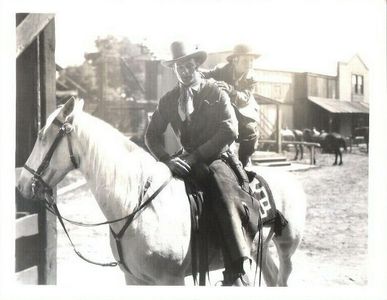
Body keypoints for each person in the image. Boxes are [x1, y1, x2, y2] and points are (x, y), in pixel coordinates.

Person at [145, 41, 252, 286]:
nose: (184, 71)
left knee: (219, 189)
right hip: (183, 158)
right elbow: (151, 135)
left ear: (197, 66)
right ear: (174, 69)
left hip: (217, 156)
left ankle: (236, 266)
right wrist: (167, 160)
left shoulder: (214, 92)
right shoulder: (169, 100)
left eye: (189, 66)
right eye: (179, 67)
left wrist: (195, 157)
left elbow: (229, 129)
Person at [202, 43, 260, 169]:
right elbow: (205, 75)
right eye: (245, 61)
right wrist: (193, 72)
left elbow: (245, 98)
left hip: (245, 110)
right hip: (224, 106)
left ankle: (245, 161)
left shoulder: (252, 77)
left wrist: (231, 90)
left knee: (251, 131)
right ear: (235, 60)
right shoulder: (222, 69)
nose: (250, 64)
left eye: (252, 61)